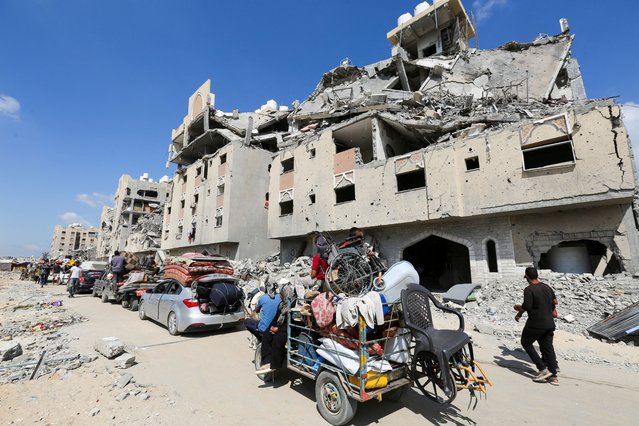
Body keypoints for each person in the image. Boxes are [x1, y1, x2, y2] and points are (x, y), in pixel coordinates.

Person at [514, 267, 559, 386]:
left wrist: (519, 311)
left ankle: (543, 369)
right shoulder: (546, 287)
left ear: (527, 277)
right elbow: (555, 302)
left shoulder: (529, 289)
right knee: (547, 347)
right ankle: (554, 376)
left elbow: (528, 306)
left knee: (526, 342)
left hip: (536, 323)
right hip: (549, 323)